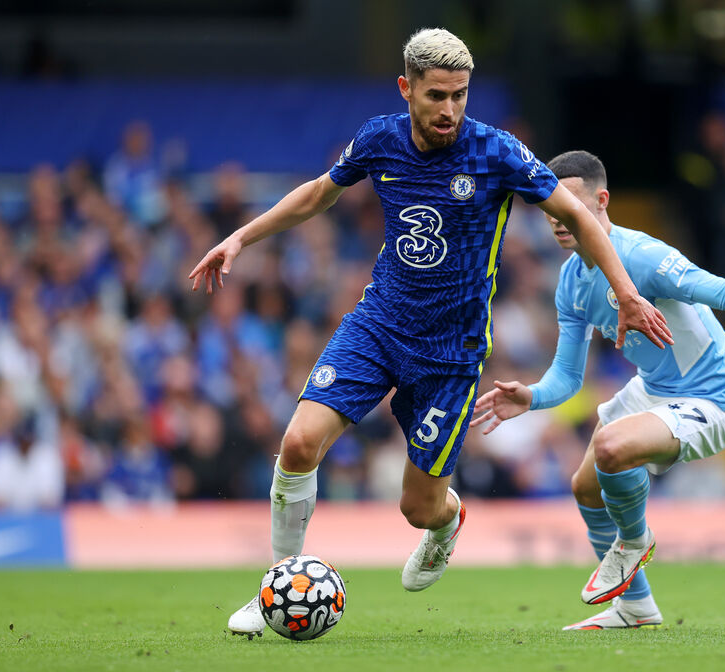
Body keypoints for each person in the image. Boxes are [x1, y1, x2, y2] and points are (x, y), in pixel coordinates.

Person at [188, 30, 673, 637]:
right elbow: (317, 195)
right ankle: (276, 589)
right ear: (406, 89)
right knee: (298, 445)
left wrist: (627, 294)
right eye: (437, 95)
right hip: (379, 324)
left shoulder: (495, 152)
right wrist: (240, 236)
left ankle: (447, 523)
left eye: (460, 96)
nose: (449, 110)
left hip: (451, 355)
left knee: (418, 507)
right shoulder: (379, 139)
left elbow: (577, 214)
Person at [471, 150, 725, 630]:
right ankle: (637, 608)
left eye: (571, 204)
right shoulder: (571, 281)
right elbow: (567, 376)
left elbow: (723, 291)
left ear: (602, 200)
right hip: (653, 389)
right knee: (584, 485)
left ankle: (634, 541)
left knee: (609, 447)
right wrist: (531, 397)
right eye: (550, 208)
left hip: (712, 398)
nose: (558, 219)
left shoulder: (642, 257)